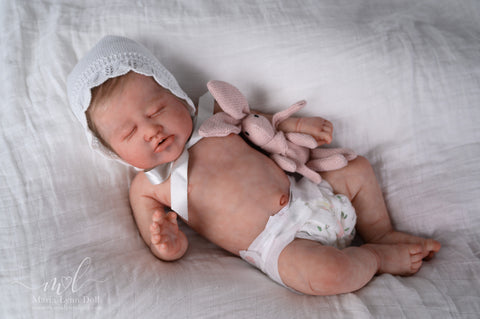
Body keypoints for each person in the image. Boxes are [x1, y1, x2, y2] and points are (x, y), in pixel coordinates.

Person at [67, 35, 441, 295]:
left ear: (177, 95)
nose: (151, 130)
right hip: (282, 245)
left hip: (309, 190)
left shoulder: (212, 117)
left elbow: (260, 124)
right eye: (130, 132)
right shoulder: (148, 188)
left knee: (355, 168)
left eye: (156, 109)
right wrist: (168, 241)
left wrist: (296, 126)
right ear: (112, 152)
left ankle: (381, 232)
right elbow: (166, 248)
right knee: (330, 275)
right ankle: (374, 257)